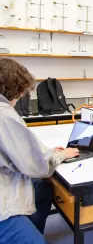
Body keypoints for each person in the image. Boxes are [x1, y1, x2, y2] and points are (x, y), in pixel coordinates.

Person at [0, 58, 79, 243]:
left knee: (43, 188)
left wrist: (46, 152)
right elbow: (38, 166)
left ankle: (30, 228)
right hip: (3, 205)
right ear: (17, 89)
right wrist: (60, 155)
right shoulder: (4, 114)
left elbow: (16, 152)